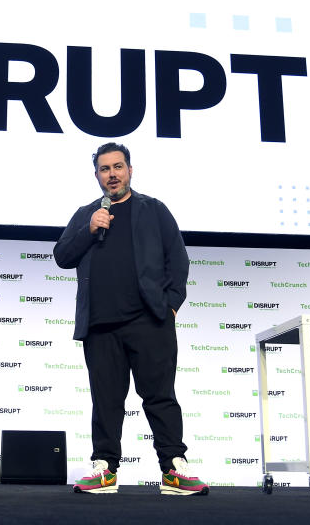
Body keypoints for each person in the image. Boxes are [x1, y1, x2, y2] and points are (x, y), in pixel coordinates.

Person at [53, 142, 208, 496]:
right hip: (100, 326)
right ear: (97, 176)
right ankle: (104, 469)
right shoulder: (86, 213)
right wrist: (90, 229)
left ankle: (173, 469)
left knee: (160, 396)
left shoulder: (153, 210)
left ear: (130, 170)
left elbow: (177, 260)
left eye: (118, 167)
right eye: (105, 169)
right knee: (106, 401)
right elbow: (62, 256)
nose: (112, 174)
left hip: (150, 321)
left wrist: (170, 306)